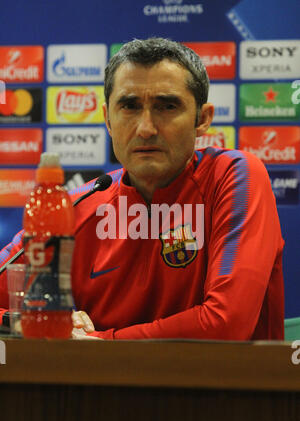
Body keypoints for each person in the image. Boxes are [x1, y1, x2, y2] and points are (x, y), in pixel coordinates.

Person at [0, 37, 285, 340]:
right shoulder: (74, 209)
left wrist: (98, 343)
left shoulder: (233, 176)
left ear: (202, 119)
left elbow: (227, 322)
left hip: (226, 386)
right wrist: (43, 324)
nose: (146, 128)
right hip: (97, 388)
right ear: (107, 118)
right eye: (130, 106)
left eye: (167, 106)